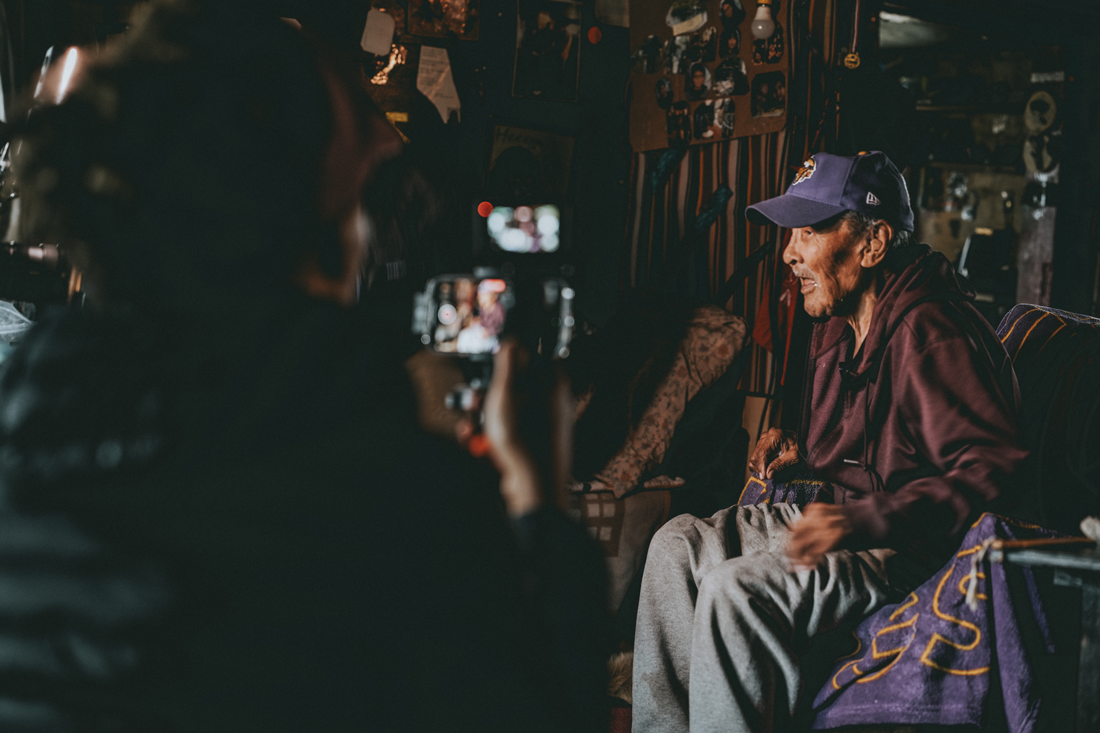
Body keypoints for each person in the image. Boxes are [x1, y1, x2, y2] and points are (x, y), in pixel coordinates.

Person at [0, 2, 609, 731]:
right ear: (323, 230)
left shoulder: (21, 449)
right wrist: (540, 499)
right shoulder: (399, 499)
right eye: (359, 196)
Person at [631, 151, 1028, 732]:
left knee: (735, 591)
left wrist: (860, 520)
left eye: (809, 231)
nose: (788, 253)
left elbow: (992, 469)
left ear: (872, 244)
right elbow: (870, 443)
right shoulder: (838, 323)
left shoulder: (932, 331)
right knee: (674, 546)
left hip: (899, 548)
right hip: (840, 521)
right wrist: (805, 453)